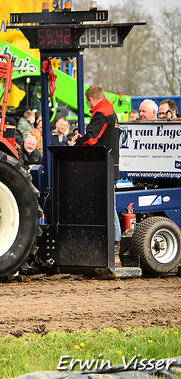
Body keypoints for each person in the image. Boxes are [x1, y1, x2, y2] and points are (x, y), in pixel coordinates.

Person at [73, 85, 122, 265]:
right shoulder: (112, 112)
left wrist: (77, 143)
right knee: (109, 206)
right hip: (112, 165)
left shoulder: (101, 113)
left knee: (109, 208)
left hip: (103, 167)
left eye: (88, 102)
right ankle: (112, 247)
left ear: (90, 99)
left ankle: (115, 249)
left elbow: (91, 139)